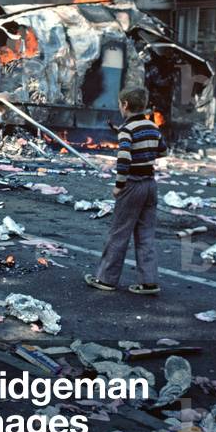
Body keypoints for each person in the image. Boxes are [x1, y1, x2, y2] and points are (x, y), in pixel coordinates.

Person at [84, 86, 168, 295]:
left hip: (132, 185)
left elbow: (124, 161)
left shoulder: (127, 130)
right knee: (146, 234)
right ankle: (149, 281)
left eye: (120, 104)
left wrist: (118, 185)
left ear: (125, 105)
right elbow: (162, 150)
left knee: (119, 233)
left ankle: (106, 279)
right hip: (150, 184)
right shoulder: (152, 126)